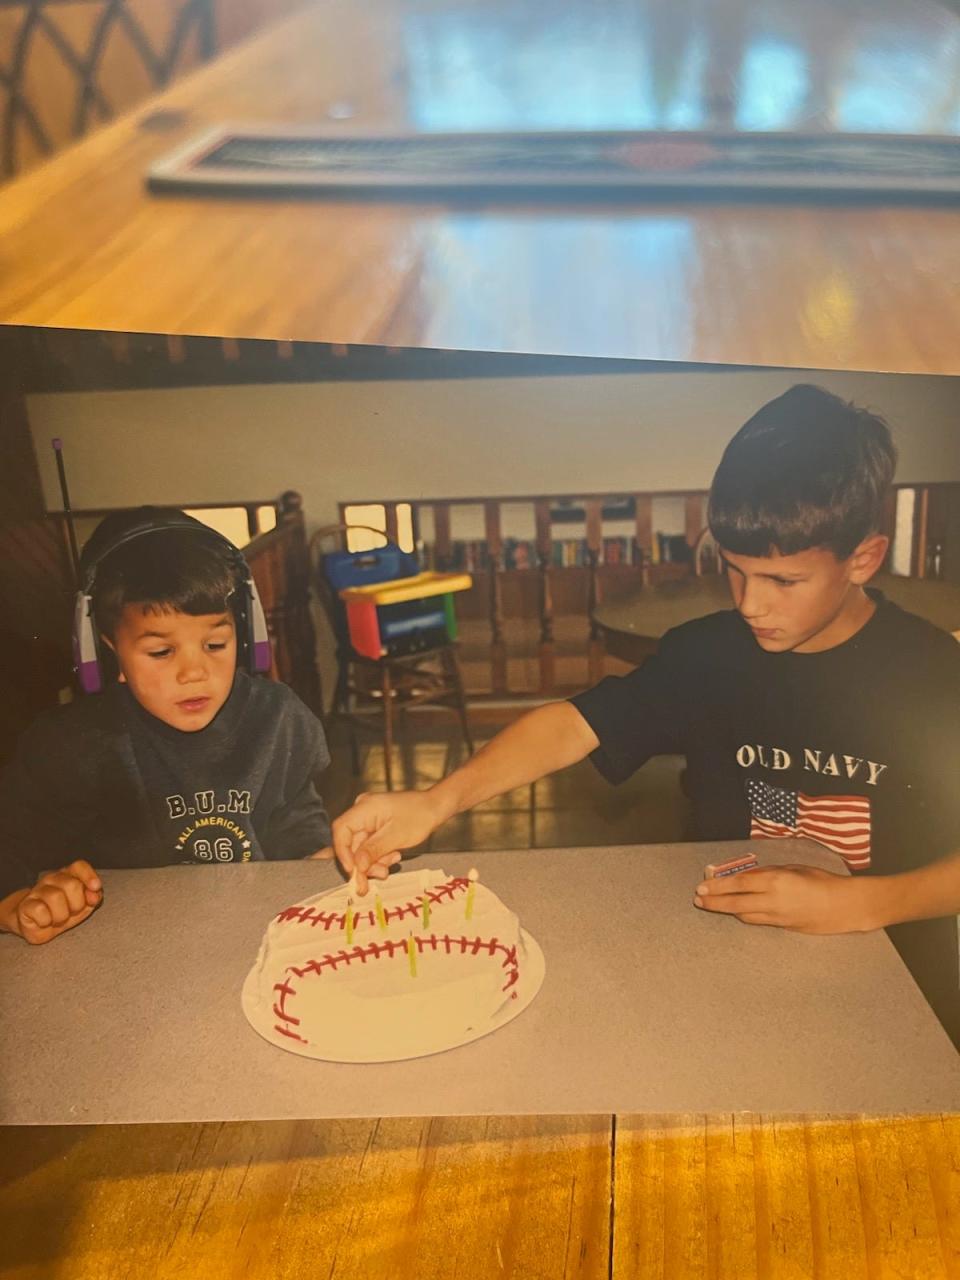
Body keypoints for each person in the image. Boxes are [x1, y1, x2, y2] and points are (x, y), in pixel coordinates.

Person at [327, 385, 960, 1047]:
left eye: (783, 582)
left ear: (862, 558)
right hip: (733, 976)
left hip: (899, 998)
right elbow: (574, 724)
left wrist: (866, 903)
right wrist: (436, 801)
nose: (750, 605)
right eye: (735, 571)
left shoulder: (931, 676)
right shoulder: (708, 652)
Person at [0, 507, 335, 945]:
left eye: (216, 644)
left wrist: (318, 858)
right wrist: (17, 903)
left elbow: (294, 817)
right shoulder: (68, 744)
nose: (194, 672)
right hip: (125, 954)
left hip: (249, 940)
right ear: (108, 650)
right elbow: (11, 838)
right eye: (161, 652)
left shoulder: (278, 717)